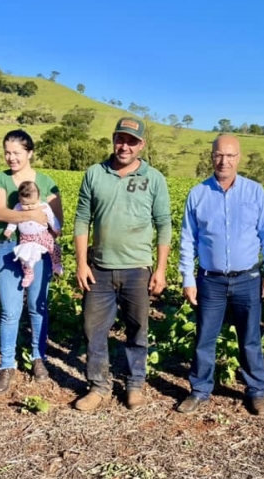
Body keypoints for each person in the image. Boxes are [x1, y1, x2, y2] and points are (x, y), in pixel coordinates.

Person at [73, 117, 172, 412]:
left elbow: (164, 224)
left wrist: (161, 269)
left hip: (137, 269)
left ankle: (135, 385)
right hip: (99, 268)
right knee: (94, 329)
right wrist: (81, 263)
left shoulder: (154, 178)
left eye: (131, 141)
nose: (124, 146)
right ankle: (98, 386)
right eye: (120, 139)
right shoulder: (94, 173)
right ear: (113, 139)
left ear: (141, 145)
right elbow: (82, 219)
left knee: (137, 329)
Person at [177, 134, 264, 415]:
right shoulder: (198, 194)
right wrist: (188, 278)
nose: (224, 161)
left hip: (248, 279)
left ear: (239, 157)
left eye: (230, 155)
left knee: (250, 338)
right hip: (210, 280)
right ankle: (199, 390)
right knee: (205, 338)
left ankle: (256, 392)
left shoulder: (255, 192)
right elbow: (188, 240)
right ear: (211, 156)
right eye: (219, 155)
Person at [0, 130, 63, 394]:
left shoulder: (47, 181)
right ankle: (6, 364)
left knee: (37, 305)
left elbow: (57, 223)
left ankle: (37, 357)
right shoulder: (0, 178)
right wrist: (32, 214)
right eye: (7, 152)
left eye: (17, 152)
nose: (11, 158)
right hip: (9, 247)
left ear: (29, 152)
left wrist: (46, 226)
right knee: (10, 310)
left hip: (40, 247)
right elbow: (0, 212)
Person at [3, 180, 63, 288]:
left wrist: (56, 228)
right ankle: (29, 274)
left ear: (39, 199)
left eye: (33, 203)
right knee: (24, 258)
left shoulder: (44, 206)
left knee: (55, 248)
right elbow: (13, 220)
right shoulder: (17, 207)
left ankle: (56, 264)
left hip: (42, 235)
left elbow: (51, 218)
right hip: (26, 238)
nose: (30, 207)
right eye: (25, 204)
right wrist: (9, 229)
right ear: (20, 200)